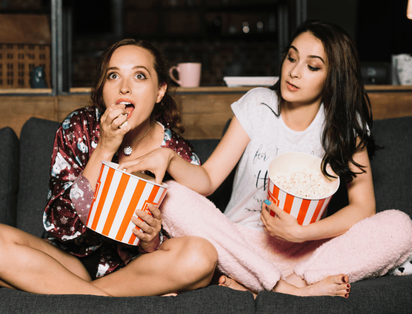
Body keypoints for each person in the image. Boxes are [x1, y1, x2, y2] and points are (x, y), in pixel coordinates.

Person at [119, 20, 412, 298]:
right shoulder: (258, 104)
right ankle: (285, 290)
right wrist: (170, 158)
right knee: (171, 194)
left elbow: (364, 207)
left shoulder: (346, 127)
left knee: (400, 226)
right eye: (291, 58)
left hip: (304, 252)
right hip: (236, 247)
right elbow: (207, 180)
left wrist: (301, 233)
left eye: (312, 66)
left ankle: (284, 283)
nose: (294, 72)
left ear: (333, 77)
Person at [0, 39, 217, 296]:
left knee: (202, 257)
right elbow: (61, 226)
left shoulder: (177, 154)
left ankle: (76, 296)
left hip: (134, 272)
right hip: (66, 263)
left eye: (139, 76)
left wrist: (151, 242)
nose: (124, 87)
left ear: (160, 91)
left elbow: (183, 236)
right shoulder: (79, 127)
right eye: (113, 76)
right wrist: (105, 148)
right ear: (103, 88)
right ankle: (99, 299)